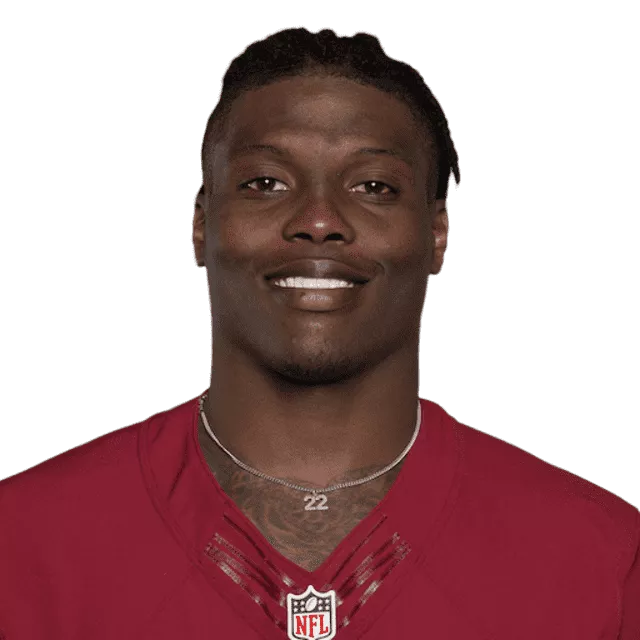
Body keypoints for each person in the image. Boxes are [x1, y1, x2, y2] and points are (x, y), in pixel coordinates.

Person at [0, 25, 638, 640]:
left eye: (374, 186)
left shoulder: (601, 557)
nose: (319, 219)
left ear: (437, 234)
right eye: (265, 183)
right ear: (201, 223)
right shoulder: (22, 542)